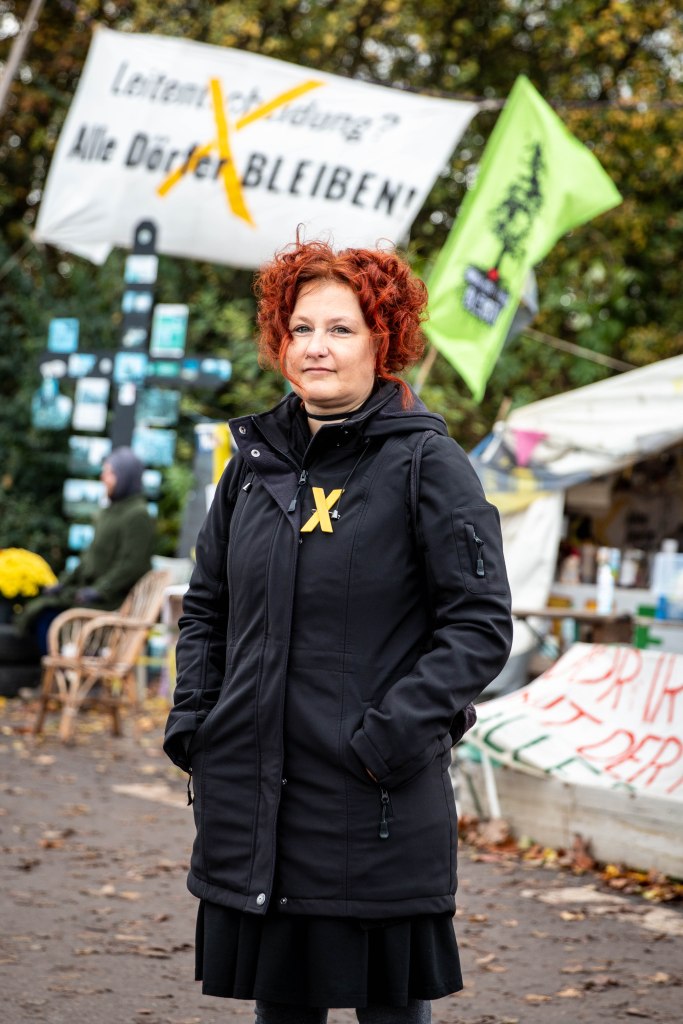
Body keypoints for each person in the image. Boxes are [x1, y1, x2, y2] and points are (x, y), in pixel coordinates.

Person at [163, 239, 513, 1024]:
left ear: (383, 340)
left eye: (340, 328)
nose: (314, 347)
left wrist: (384, 741)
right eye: (300, 328)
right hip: (257, 801)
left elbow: (479, 626)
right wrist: (196, 722)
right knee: (282, 1013)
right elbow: (207, 607)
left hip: (372, 802)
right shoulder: (251, 467)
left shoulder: (428, 463)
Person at [17, 446, 155, 654]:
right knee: (40, 608)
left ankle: (61, 668)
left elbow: (132, 565)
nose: (103, 477)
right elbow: (89, 558)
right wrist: (62, 584)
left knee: (48, 616)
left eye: (109, 472)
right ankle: (55, 668)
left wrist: (100, 590)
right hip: (89, 592)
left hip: (113, 602)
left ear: (124, 476)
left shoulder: (138, 514)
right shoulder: (110, 511)